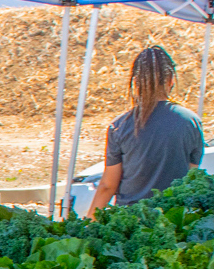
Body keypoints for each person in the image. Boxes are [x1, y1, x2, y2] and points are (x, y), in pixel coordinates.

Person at [83, 46, 205, 216]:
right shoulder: (191, 122)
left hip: (132, 221)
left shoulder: (119, 126)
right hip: (174, 220)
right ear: (171, 79)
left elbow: (108, 186)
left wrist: (89, 221)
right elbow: (191, 175)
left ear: (136, 82)